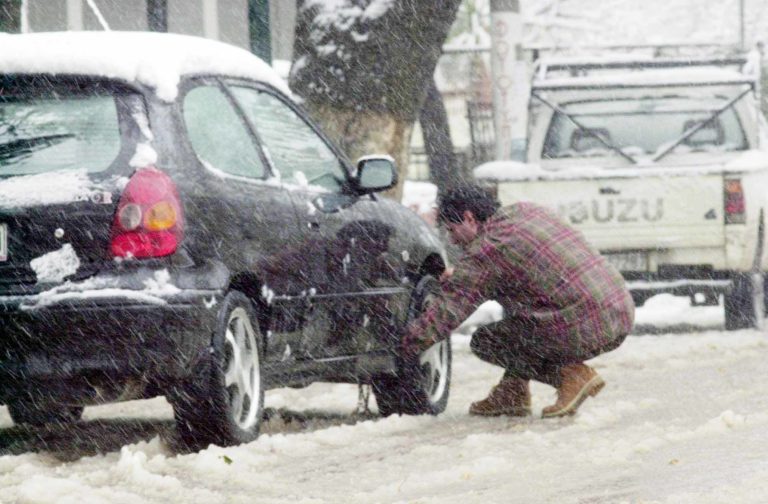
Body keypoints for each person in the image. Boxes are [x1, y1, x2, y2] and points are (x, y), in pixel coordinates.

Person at [403, 184, 634, 418]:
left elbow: (448, 312)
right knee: (521, 320)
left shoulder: (487, 251)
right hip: (618, 309)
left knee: (488, 341)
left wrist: (402, 346)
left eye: (451, 230)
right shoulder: (526, 211)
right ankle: (512, 392)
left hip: (586, 323)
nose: (452, 241)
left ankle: (571, 375)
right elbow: (521, 272)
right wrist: (465, 275)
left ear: (469, 218)